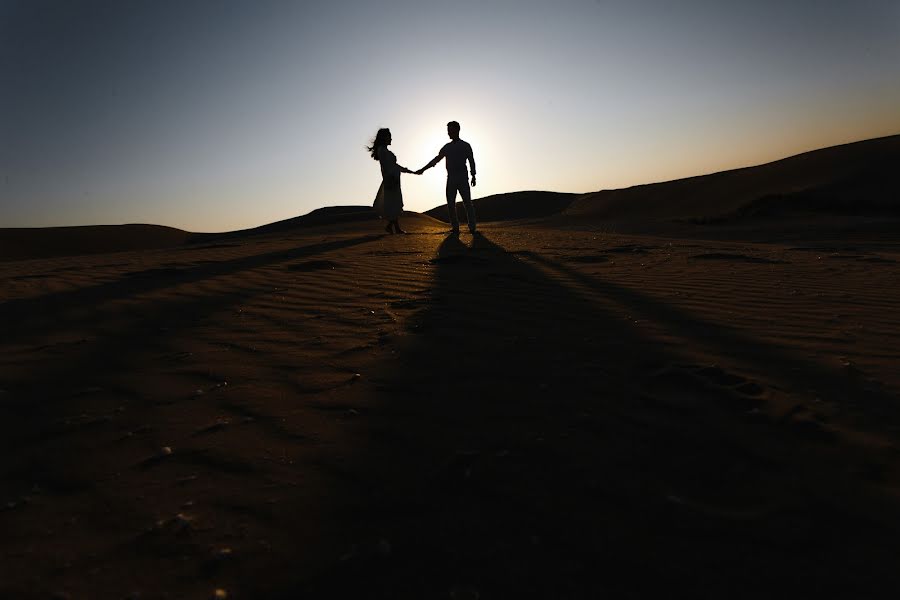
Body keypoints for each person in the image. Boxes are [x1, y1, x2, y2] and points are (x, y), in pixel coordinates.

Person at [417, 121, 477, 234]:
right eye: (448, 131)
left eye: (451, 130)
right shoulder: (447, 147)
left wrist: (473, 175)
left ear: (457, 130)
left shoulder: (465, 145)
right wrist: (423, 169)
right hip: (451, 177)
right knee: (450, 203)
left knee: (467, 202)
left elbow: (471, 160)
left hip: (463, 176)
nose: (449, 133)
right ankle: (455, 227)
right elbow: (436, 159)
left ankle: (472, 226)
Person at [368, 127, 418, 234]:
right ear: (384, 137)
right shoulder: (382, 150)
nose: (391, 138)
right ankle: (394, 227)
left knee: (394, 203)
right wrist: (389, 178)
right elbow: (385, 166)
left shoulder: (384, 150)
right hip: (391, 179)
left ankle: (392, 227)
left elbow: (394, 166)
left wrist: (408, 170)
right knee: (394, 203)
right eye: (389, 136)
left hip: (394, 178)